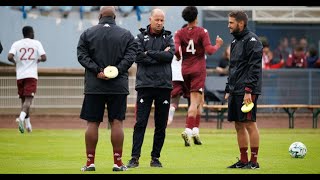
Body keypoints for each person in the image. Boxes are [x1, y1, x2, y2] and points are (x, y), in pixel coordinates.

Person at [77, 6, 137, 172]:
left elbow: (82, 55)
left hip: (94, 86)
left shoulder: (87, 33)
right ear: (115, 16)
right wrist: (116, 70)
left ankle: (90, 163)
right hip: (117, 86)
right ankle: (117, 163)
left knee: (92, 123)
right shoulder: (126, 34)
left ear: (99, 15)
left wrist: (98, 71)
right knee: (117, 122)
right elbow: (131, 56)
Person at [127, 8, 175, 168]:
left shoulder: (169, 37)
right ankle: (134, 158)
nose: (160, 23)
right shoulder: (140, 37)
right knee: (140, 123)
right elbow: (138, 57)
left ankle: (155, 158)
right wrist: (159, 54)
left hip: (163, 86)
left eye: (162, 20)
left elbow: (169, 57)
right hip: (145, 86)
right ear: (150, 19)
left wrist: (149, 53)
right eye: (157, 20)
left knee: (160, 125)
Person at [174, 6, 223, 147]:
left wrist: (178, 56)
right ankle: (188, 130)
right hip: (198, 70)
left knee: (200, 100)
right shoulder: (202, 31)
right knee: (194, 102)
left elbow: (176, 50)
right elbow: (210, 51)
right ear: (196, 17)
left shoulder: (179, 32)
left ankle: (196, 131)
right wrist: (218, 45)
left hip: (185, 70)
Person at [225, 11, 263, 169]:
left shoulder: (252, 41)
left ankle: (254, 162)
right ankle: (243, 160)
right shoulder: (235, 42)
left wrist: (248, 90)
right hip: (235, 89)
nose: (229, 25)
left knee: (249, 123)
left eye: (231, 22)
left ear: (241, 23)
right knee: (238, 124)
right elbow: (233, 67)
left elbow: (254, 68)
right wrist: (228, 88)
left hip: (247, 90)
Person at [8, 26, 47, 134]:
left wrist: (17, 63)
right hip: (31, 75)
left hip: (20, 75)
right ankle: (21, 118)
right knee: (29, 100)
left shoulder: (16, 44)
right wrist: (37, 60)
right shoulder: (36, 43)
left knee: (23, 101)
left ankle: (28, 125)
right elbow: (44, 57)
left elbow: (9, 56)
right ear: (31, 33)